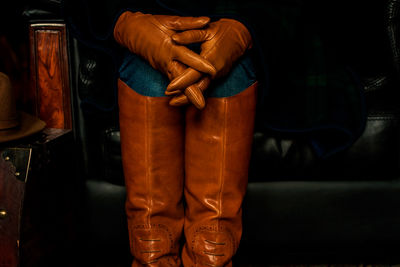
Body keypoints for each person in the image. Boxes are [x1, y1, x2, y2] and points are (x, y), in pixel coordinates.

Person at [63, 0, 366, 266]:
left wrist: (246, 29)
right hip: (143, 31)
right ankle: (152, 259)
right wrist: (124, 21)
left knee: (228, 80)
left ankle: (209, 259)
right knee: (149, 78)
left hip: (253, 27)